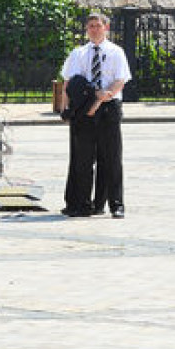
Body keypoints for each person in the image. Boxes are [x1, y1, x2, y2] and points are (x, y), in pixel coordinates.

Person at [60, 13, 130, 219]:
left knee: (111, 159)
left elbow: (120, 81)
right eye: (90, 26)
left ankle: (115, 204)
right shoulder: (78, 54)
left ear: (106, 28)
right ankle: (83, 203)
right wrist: (65, 109)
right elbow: (69, 83)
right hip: (84, 111)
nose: (94, 29)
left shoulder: (116, 52)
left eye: (98, 26)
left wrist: (101, 99)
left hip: (109, 107)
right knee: (82, 159)